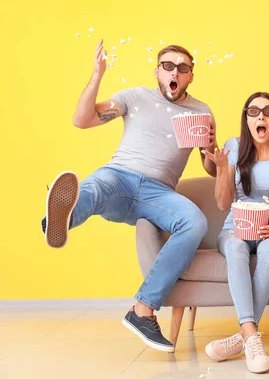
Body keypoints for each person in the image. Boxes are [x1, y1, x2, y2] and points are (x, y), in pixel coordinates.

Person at [41, 40, 218, 352]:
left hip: (159, 193)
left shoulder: (201, 112)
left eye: (183, 68)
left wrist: (211, 152)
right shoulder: (134, 97)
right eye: (168, 65)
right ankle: (59, 218)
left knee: (194, 221)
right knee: (96, 186)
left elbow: (210, 169)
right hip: (119, 179)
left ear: (191, 76)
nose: (175, 71)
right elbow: (81, 121)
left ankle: (143, 310)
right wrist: (97, 75)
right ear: (157, 72)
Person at [203, 92, 269, 373]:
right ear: (246, 119)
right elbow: (224, 204)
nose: (261, 116)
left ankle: (243, 338)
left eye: (268, 111)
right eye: (254, 111)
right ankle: (250, 335)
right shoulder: (233, 147)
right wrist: (223, 168)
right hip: (235, 227)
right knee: (235, 247)